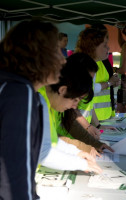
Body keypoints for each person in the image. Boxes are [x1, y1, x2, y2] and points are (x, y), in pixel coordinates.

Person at [0, 20, 63, 200]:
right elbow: (14, 170)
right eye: (56, 51)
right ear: (37, 55)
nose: (63, 59)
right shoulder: (20, 93)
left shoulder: (10, 87)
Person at [38, 53, 102, 174]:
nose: (75, 106)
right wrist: (82, 163)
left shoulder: (48, 102)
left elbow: (52, 141)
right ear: (62, 90)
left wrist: (76, 152)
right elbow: (43, 151)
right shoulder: (39, 102)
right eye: (75, 100)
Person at [56, 53, 114, 153]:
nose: (75, 106)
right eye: (75, 100)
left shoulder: (64, 98)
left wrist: (94, 144)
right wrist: (81, 148)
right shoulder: (45, 101)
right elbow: (47, 139)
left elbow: (71, 123)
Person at [75, 25, 120, 138]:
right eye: (104, 45)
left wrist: (98, 125)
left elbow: (89, 102)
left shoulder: (90, 66)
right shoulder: (82, 67)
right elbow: (72, 108)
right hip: (76, 128)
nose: (108, 48)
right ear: (93, 47)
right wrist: (88, 127)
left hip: (82, 126)